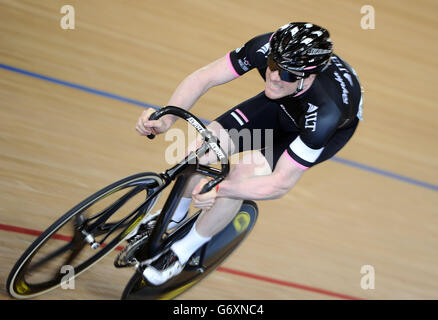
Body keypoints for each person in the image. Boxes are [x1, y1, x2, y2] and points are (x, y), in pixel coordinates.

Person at [134, 22, 363, 285]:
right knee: (200, 151)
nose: (274, 76)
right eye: (273, 65)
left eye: (287, 73)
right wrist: (166, 120)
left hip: (314, 130)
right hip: (280, 105)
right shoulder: (265, 49)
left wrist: (221, 190)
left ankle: (183, 251)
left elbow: (279, 184)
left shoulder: (326, 113)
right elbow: (204, 76)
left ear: (308, 77)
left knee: (242, 176)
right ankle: (174, 216)